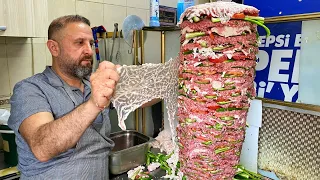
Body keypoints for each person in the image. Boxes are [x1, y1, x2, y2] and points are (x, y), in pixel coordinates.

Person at [8, 15, 157, 179]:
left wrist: (180, 79)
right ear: (54, 48)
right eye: (79, 43)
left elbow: (142, 98)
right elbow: (42, 148)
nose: (89, 51)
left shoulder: (91, 84)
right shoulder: (30, 89)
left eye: (91, 44)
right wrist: (94, 103)